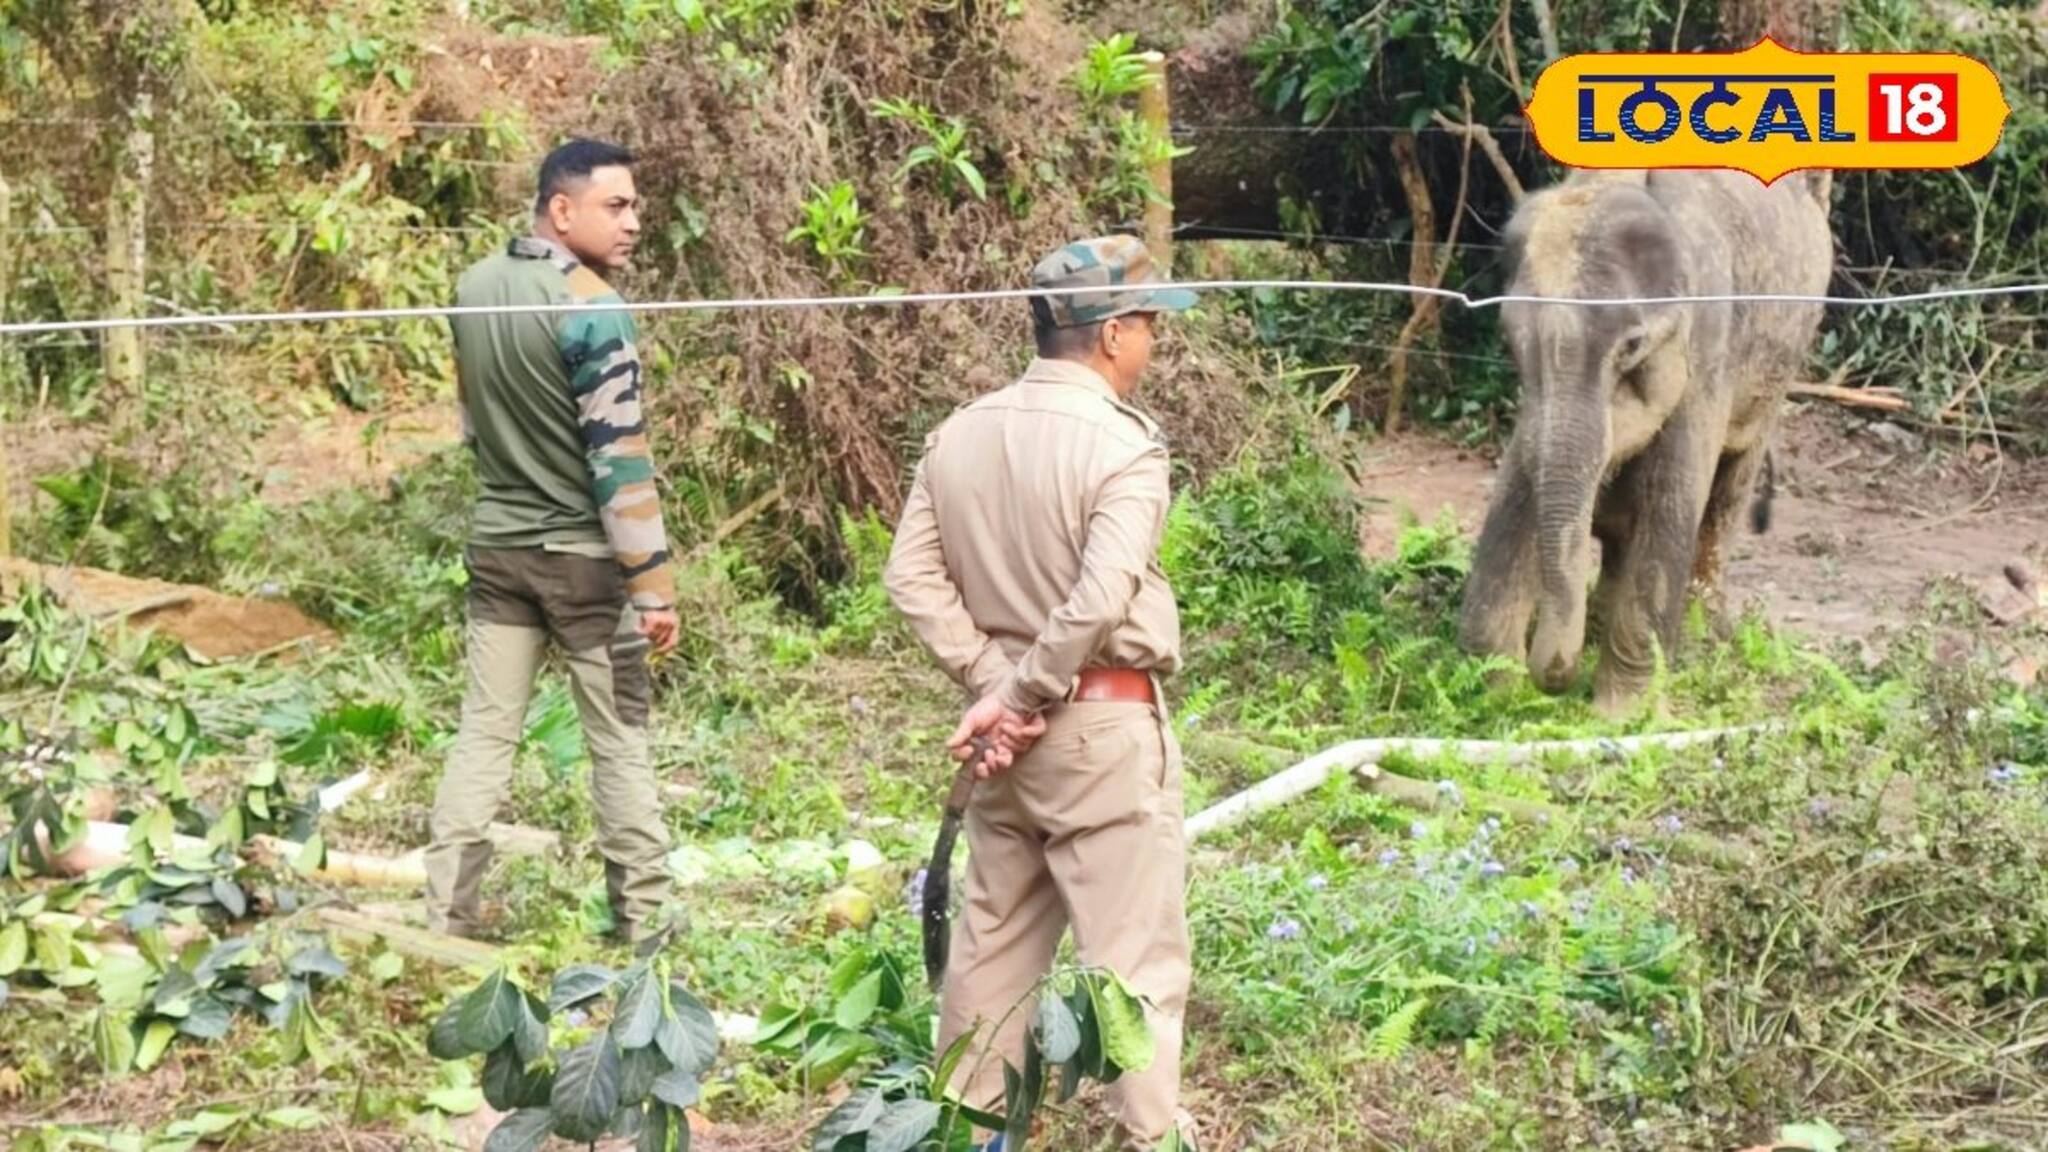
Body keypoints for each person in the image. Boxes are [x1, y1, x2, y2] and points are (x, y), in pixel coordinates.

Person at [883, 235, 1200, 1152]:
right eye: (1147, 324)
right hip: (1097, 729)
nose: (1152, 343)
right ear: (1108, 335)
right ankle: (1148, 1139)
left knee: (994, 942)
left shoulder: (960, 432)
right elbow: (1101, 597)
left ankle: (966, 1133)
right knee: (1131, 957)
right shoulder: (1125, 447)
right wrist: (1021, 693)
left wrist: (993, 686)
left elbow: (911, 578)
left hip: (1006, 746)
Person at [424, 137, 681, 955]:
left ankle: (446, 918)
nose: (634, 221)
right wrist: (653, 585)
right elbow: (620, 462)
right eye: (617, 205)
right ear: (560, 209)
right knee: (619, 738)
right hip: (583, 569)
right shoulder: (591, 304)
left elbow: (472, 428)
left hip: (498, 548)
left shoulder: (473, 287)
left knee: (484, 732)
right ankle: (646, 932)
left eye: (635, 204)